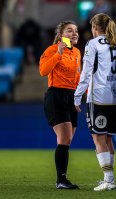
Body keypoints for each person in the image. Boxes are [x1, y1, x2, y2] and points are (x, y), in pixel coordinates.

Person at [74, 13, 116, 191]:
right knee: (108, 139)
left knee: (98, 138)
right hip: (115, 98)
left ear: (95, 28)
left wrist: (77, 96)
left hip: (99, 97)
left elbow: (86, 74)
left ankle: (109, 179)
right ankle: (110, 178)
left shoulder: (92, 44)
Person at [39, 20, 81, 189]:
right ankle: (61, 180)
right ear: (61, 35)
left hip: (72, 96)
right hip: (56, 95)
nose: (75, 33)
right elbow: (43, 71)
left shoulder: (77, 52)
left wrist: (80, 95)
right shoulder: (52, 49)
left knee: (68, 140)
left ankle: (62, 179)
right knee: (64, 138)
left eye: (76, 30)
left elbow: (78, 77)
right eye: (70, 31)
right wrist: (58, 53)